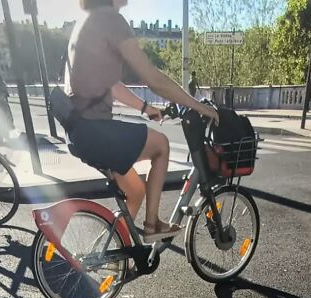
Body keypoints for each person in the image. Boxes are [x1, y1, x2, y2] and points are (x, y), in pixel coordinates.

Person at [65, 0, 219, 242]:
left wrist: (146, 108)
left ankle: (112, 253)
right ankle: (152, 225)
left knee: (136, 191)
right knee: (161, 145)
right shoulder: (110, 18)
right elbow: (153, 78)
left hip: (81, 131)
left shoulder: (88, 20)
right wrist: (198, 105)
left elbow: (112, 85)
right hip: (93, 131)